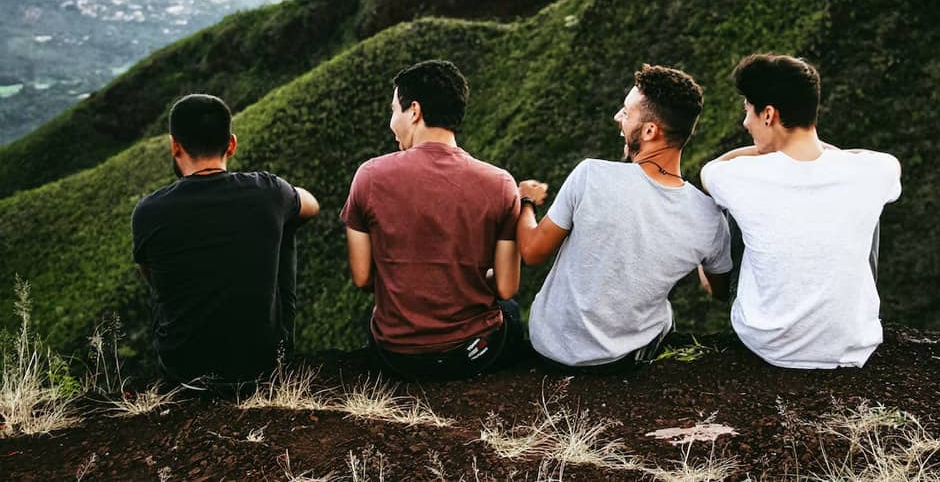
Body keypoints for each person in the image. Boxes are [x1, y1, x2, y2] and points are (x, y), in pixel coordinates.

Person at [517, 64, 732, 373]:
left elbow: (532, 252)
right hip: (621, 361)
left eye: (626, 112)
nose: (617, 118)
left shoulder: (590, 175)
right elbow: (718, 291)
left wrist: (525, 201)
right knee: (665, 313)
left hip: (549, 348)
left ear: (649, 131)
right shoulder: (710, 218)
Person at [700, 53, 901, 369]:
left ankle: (721, 292)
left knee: (729, 208)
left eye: (748, 112)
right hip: (851, 345)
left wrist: (763, 151)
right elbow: (879, 161)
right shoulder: (875, 171)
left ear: (768, 114)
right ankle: (838, 314)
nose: (744, 123)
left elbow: (710, 170)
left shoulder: (736, 175)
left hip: (768, 342)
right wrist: (824, 152)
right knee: (865, 206)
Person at [340, 59, 523, 381]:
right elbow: (507, 287)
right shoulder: (501, 183)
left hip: (396, 356)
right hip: (473, 354)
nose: (391, 122)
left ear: (414, 111)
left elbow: (363, 278)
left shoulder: (369, 176)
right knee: (511, 311)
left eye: (393, 110)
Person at [132, 94, 320, 384]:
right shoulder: (267, 191)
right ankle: (282, 352)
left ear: (175, 145)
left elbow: (154, 280)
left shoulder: (147, 211)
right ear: (231, 144)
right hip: (258, 365)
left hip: (182, 368)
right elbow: (312, 205)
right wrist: (279, 199)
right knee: (287, 222)